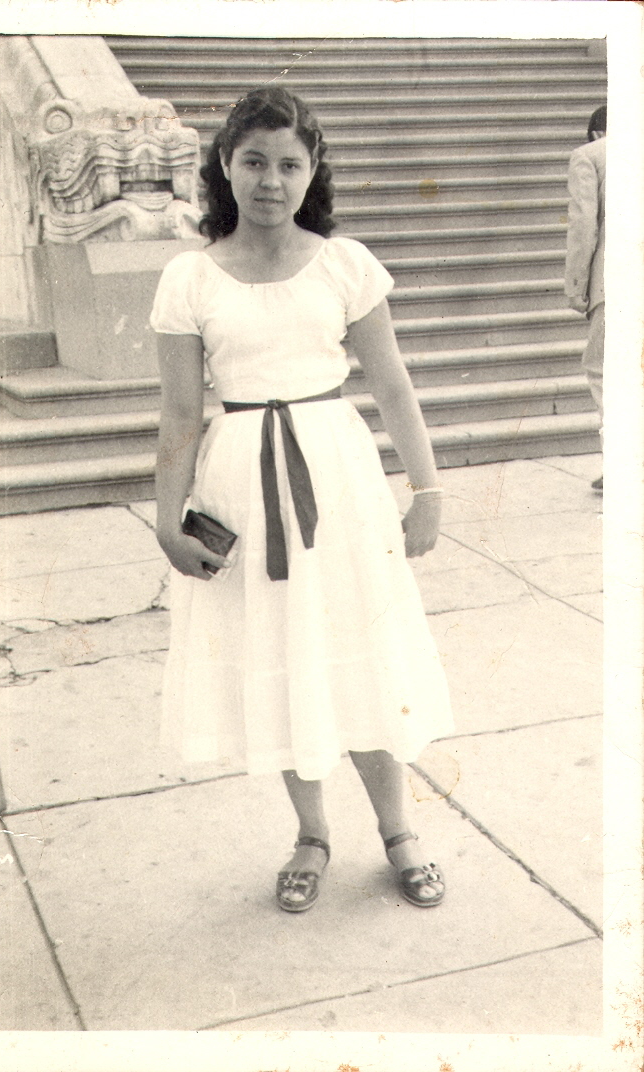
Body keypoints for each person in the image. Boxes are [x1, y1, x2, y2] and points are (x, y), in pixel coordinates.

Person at [150, 87, 453, 914]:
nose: (270, 181)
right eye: (253, 161)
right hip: (241, 487)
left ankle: (398, 832)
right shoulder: (188, 278)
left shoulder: (344, 263)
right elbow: (180, 412)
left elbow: (391, 385)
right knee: (281, 660)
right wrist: (165, 519)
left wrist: (425, 489)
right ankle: (312, 834)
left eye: (288, 164)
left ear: (311, 171)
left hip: (338, 481)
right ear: (223, 165)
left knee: (360, 652)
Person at [564, 104, 607, 492]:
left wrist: (576, 287)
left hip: (614, 283)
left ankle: (622, 463)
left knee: (603, 371)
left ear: (595, 134)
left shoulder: (589, 156)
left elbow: (583, 228)